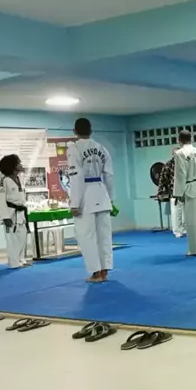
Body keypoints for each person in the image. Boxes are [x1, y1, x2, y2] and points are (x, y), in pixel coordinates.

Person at [67, 118, 115, 283]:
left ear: (75, 131)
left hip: (86, 195)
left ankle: (95, 273)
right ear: (91, 130)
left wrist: (75, 203)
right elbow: (109, 175)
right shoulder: (101, 148)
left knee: (87, 236)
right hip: (101, 192)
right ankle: (105, 270)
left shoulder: (74, 149)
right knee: (104, 236)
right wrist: (110, 198)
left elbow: (76, 177)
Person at [174, 130, 196, 256]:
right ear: (191, 139)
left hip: (189, 188)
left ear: (179, 140)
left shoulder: (180, 153)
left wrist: (178, 194)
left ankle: (194, 249)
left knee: (191, 221)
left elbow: (180, 174)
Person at [0, 154, 31, 269]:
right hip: (10, 213)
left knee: (22, 237)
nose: (21, 164)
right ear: (12, 165)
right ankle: (14, 263)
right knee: (12, 239)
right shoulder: (4, 181)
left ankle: (21, 259)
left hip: (20, 212)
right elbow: (0, 199)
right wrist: (5, 217)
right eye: (18, 163)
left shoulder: (18, 179)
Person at [158, 147, 186, 238]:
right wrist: (160, 192)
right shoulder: (168, 165)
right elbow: (162, 179)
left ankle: (184, 229)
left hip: (185, 191)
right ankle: (177, 231)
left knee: (185, 213)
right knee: (175, 213)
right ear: (173, 154)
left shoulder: (185, 163)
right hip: (174, 192)